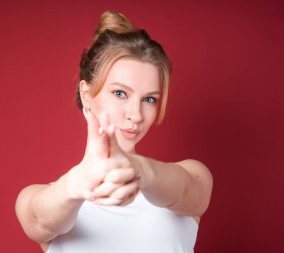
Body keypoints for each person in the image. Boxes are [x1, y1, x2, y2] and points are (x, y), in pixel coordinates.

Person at [15, 10, 213, 253]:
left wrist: (137, 169)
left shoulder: (194, 177)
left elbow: (183, 190)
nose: (137, 115)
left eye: (149, 99)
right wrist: (79, 182)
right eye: (120, 93)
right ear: (87, 95)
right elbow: (39, 220)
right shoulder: (42, 198)